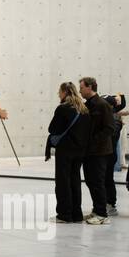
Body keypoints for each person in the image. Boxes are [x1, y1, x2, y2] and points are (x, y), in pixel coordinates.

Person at [46, 81, 90, 222]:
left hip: (65, 150)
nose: (58, 94)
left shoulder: (63, 109)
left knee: (63, 182)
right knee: (75, 180)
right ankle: (76, 214)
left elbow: (52, 129)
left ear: (65, 92)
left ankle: (64, 214)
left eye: (59, 91)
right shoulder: (83, 109)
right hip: (80, 150)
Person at [79, 77, 115, 224]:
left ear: (90, 87)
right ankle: (96, 210)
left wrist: (93, 141)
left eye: (81, 87)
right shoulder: (88, 105)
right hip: (89, 152)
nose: (80, 90)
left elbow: (109, 128)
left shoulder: (102, 105)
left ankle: (102, 214)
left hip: (99, 152)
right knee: (90, 181)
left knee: (97, 182)